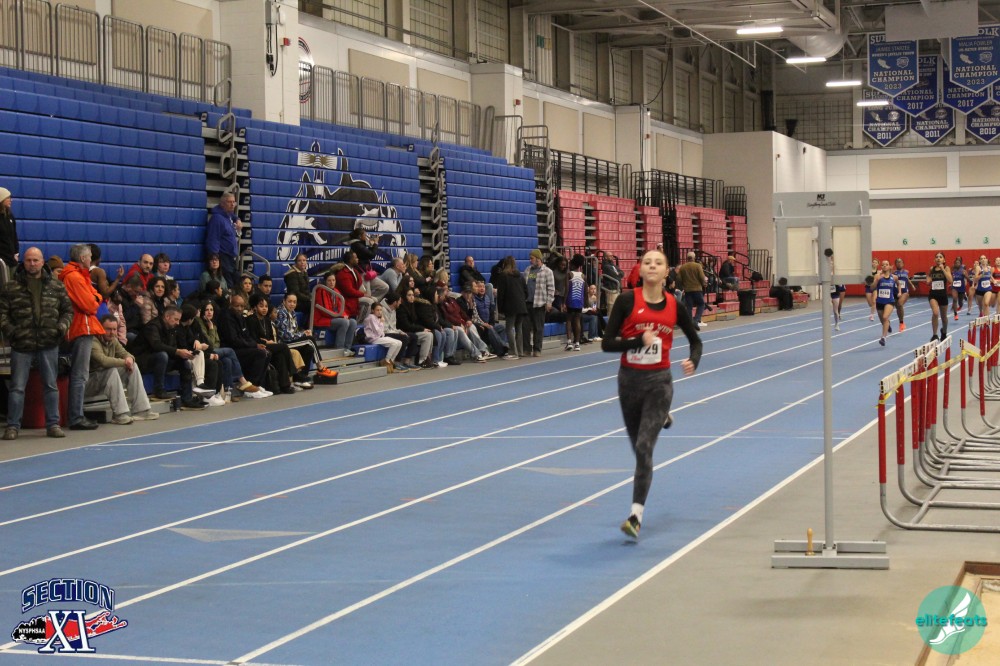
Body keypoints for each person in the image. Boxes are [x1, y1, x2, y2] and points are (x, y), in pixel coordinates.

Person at [601, 249, 701, 539]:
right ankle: (662, 418)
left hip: (659, 382)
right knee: (638, 450)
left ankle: (635, 516)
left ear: (667, 271)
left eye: (658, 263)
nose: (653, 266)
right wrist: (637, 340)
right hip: (629, 382)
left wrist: (693, 360)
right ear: (641, 270)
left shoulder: (674, 305)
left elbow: (696, 341)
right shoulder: (626, 301)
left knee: (645, 448)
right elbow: (607, 343)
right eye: (647, 262)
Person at [0, 247, 73, 439]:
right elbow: (2, 314)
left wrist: (61, 328)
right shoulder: (11, 287)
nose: (32, 264)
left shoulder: (56, 286)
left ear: (42, 262)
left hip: (49, 342)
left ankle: (53, 425)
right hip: (21, 344)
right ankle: (12, 426)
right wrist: (12, 332)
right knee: (17, 387)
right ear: (23, 262)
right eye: (28, 260)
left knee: (50, 386)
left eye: (35, 260)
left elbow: (68, 310)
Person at [60, 243, 105, 431]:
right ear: (82, 258)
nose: (91, 260)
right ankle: (76, 416)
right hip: (80, 328)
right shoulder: (74, 277)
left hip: (81, 328)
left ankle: (76, 414)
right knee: (80, 374)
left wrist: (96, 298)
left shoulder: (79, 275)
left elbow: (96, 295)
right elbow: (90, 305)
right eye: (89, 257)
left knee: (80, 374)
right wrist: (96, 299)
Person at [127, 306, 206, 409]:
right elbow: (156, 345)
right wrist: (177, 351)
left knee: (183, 361)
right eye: (176, 319)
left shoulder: (172, 328)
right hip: (142, 361)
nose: (178, 323)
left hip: (161, 361)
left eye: (179, 320)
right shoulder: (153, 326)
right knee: (162, 355)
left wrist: (184, 354)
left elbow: (172, 347)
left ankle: (187, 398)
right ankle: (158, 390)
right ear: (167, 317)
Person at [87, 315, 158, 423]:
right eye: (108, 329)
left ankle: (141, 410)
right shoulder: (93, 341)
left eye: (114, 329)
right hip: (89, 382)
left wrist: (130, 359)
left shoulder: (113, 340)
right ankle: (119, 414)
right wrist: (125, 362)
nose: (112, 332)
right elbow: (103, 361)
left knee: (133, 366)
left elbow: (125, 353)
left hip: (103, 379)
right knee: (112, 370)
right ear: (100, 328)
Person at [197, 300, 268, 400]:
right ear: (202, 312)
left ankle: (229, 392)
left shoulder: (212, 323)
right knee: (230, 351)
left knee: (227, 360)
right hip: (205, 353)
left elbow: (217, 342)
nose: (209, 312)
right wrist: (211, 329)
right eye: (207, 310)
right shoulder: (200, 324)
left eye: (211, 310)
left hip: (215, 350)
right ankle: (243, 382)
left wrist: (212, 331)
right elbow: (211, 344)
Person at [246, 294, 304, 393]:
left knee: (280, 356)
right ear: (254, 307)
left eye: (266, 306)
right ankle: (294, 372)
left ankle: (285, 386)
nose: (264, 309)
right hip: (258, 347)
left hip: (269, 345)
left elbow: (271, 337)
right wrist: (265, 341)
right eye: (261, 306)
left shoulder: (267, 320)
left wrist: (269, 341)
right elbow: (252, 338)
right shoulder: (250, 320)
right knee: (284, 347)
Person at [275, 292, 336, 380]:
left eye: (294, 302)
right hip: (282, 344)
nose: (292, 304)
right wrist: (303, 334)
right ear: (284, 301)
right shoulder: (281, 313)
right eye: (290, 301)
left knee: (309, 349)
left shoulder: (292, 312)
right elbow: (286, 336)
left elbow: (294, 331)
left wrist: (304, 332)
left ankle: (302, 375)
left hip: (290, 341)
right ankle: (320, 368)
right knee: (309, 340)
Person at [217, 294, 271, 389]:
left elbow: (247, 336)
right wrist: (253, 346)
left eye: (242, 306)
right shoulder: (226, 318)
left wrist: (256, 344)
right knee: (260, 354)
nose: (240, 309)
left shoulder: (241, 317)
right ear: (231, 305)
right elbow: (234, 340)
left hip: (243, 347)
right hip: (232, 350)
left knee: (267, 352)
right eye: (237, 306)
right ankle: (250, 386)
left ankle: (258, 385)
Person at [206, 191, 242, 288]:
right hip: (222, 256)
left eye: (234, 202)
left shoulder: (228, 215)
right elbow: (213, 239)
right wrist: (214, 258)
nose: (232, 204)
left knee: (237, 280)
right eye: (229, 202)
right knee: (229, 283)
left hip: (230, 257)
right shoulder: (217, 219)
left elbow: (233, 216)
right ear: (222, 204)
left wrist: (238, 219)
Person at [314, 271, 356, 352]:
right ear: (325, 281)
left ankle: (347, 349)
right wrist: (340, 316)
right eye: (329, 280)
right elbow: (325, 311)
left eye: (333, 280)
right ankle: (339, 349)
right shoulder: (321, 291)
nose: (332, 282)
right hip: (322, 320)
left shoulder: (336, 291)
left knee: (353, 322)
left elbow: (341, 307)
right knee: (344, 322)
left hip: (334, 317)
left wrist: (344, 315)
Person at [524, 249, 555, 357]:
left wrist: (549, 302)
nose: (530, 260)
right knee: (526, 327)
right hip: (527, 302)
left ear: (538, 259)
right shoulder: (527, 270)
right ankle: (527, 349)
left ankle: (537, 349)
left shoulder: (547, 271)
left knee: (538, 327)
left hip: (540, 303)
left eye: (532, 258)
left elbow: (551, 288)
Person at [496, 256, 527, 360]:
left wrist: (500, 308)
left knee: (509, 328)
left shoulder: (503, 276)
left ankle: (513, 352)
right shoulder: (520, 275)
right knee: (519, 328)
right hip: (521, 305)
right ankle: (520, 351)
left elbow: (501, 293)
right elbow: (526, 291)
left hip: (510, 305)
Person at [396, 288, 437, 369]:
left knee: (430, 333)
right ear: (404, 297)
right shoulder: (401, 308)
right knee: (427, 335)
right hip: (405, 331)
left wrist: (422, 328)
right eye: (409, 295)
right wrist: (422, 329)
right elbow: (406, 326)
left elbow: (415, 322)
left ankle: (427, 358)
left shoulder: (412, 306)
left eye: (413, 295)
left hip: (412, 331)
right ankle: (421, 361)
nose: (412, 297)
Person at [348, 228, 389, 302]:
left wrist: (371, 245)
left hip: (367, 273)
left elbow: (367, 254)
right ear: (360, 236)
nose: (366, 236)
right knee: (367, 295)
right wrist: (375, 244)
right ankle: (370, 304)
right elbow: (371, 255)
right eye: (365, 235)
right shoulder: (357, 245)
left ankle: (373, 302)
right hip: (361, 273)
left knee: (384, 287)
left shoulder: (360, 244)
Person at [335, 251, 375, 323]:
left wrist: (366, 294)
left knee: (374, 299)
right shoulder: (343, 273)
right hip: (347, 299)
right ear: (350, 260)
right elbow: (349, 291)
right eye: (356, 258)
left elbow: (360, 285)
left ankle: (371, 323)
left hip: (354, 297)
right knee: (369, 302)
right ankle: (360, 323)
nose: (358, 259)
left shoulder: (354, 271)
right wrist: (363, 294)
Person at [363, 302, 404, 372]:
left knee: (399, 343)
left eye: (381, 310)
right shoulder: (371, 317)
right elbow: (378, 332)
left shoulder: (377, 318)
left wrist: (381, 324)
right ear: (372, 310)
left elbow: (382, 332)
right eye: (377, 310)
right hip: (373, 339)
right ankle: (386, 360)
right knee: (394, 344)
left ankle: (391, 360)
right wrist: (381, 323)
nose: (379, 312)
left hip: (379, 337)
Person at [677, 252, 707, 330]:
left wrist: (684, 285)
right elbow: (702, 277)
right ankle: (696, 320)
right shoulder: (698, 266)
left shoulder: (683, 267)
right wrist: (704, 284)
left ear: (687, 258)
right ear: (694, 258)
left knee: (689, 307)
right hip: (697, 289)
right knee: (701, 304)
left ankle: (690, 323)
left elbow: (679, 279)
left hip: (688, 290)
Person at [926, 252, 952, 342]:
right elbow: (928, 277)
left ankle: (944, 332)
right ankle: (934, 335)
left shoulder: (946, 268)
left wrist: (943, 269)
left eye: (940, 257)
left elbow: (950, 280)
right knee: (935, 313)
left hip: (943, 295)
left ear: (944, 260)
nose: (938, 258)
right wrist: (928, 280)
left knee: (944, 317)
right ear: (934, 259)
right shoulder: (932, 269)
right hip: (933, 294)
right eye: (937, 257)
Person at [874, 260, 901, 347]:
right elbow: (872, 288)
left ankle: (883, 337)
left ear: (889, 266)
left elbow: (899, 284)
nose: (885, 266)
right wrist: (876, 280)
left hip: (890, 301)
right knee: (883, 320)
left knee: (885, 317)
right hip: (879, 301)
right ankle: (887, 324)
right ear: (881, 267)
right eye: (883, 265)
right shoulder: (878, 276)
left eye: (886, 264)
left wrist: (899, 292)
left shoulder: (894, 277)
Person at [564, 257, 586, 351]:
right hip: (579, 301)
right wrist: (585, 302)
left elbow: (567, 289)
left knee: (568, 320)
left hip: (571, 300)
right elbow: (585, 291)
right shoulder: (583, 275)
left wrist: (563, 302)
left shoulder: (569, 274)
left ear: (572, 264)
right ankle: (577, 343)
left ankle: (569, 342)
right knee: (577, 320)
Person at [0, 186, 18, 275]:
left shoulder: (10, 216)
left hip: (12, 260)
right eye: (8, 198)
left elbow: (14, 236)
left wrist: (16, 253)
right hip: (2, 260)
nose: (11, 200)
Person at [892, 257, 911, 332]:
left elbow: (907, 279)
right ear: (895, 264)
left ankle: (902, 323)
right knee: (898, 308)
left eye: (900, 262)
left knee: (900, 304)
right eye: (897, 262)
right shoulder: (893, 273)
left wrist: (912, 285)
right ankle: (901, 322)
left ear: (903, 264)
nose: (899, 263)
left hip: (904, 291)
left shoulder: (906, 272)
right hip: (895, 292)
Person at [951, 256, 967, 323]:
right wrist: (951, 282)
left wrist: (965, 276)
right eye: (956, 262)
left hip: (961, 287)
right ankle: (955, 314)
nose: (957, 264)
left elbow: (967, 278)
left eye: (958, 262)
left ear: (960, 263)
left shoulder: (963, 269)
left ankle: (960, 305)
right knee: (954, 299)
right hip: (954, 287)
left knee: (960, 303)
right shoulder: (952, 269)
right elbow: (950, 277)